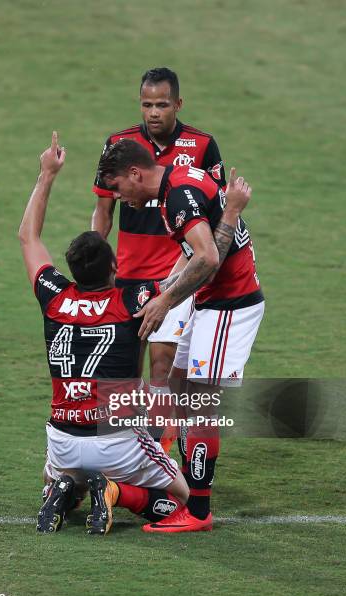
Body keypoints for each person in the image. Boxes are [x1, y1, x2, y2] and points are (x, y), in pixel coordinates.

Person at [18, 132, 189, 535]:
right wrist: (223, 215)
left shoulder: (54, 297)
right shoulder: (134, 300)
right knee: (183, 498)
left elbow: (28, 237)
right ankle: (114, 490)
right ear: (114, 268)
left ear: (72, 271)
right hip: (116, 441)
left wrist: (46, 174)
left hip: (62, 439)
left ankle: (61, 489)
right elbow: (189, 265)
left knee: (61, 472)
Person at [98, 139, 264, 532]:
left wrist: (165, 301)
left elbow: (208, 257)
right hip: (211, 302)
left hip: (230, 305)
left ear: (136, 175)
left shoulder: (178, 195)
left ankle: (199, 511)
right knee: (177, 389)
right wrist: (164, 289)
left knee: (199, 404)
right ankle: (184, 487)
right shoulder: (182, 179)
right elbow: (195, 250)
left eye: (118, 187)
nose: (119, 197)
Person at [92, 67, 226, 399]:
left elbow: (216, 210)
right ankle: (127, 445)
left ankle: (160, 445)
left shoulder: (203, 144)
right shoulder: (118, 146)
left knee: (163, 370)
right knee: (123, 368)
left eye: (162, 105)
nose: (154, 112)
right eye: (147, 104)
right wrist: (96, 260)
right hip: (127, 274)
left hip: (174, 276)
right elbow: (104, 209)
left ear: (178, 104)